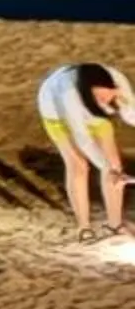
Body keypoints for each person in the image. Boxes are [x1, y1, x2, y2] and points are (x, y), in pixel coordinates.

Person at [38, 61, 132, 241]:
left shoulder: (117, 81)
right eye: (99, 98)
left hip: (94, 113)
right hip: (57, 112)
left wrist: (112, 168)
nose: (103, 101)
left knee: (114, 163)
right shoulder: (68, 95)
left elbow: (131, 114)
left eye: (106, 97)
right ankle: (84, 227)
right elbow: (82, 138)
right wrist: (106, 168)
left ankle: (115, 224)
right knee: (78, 165)